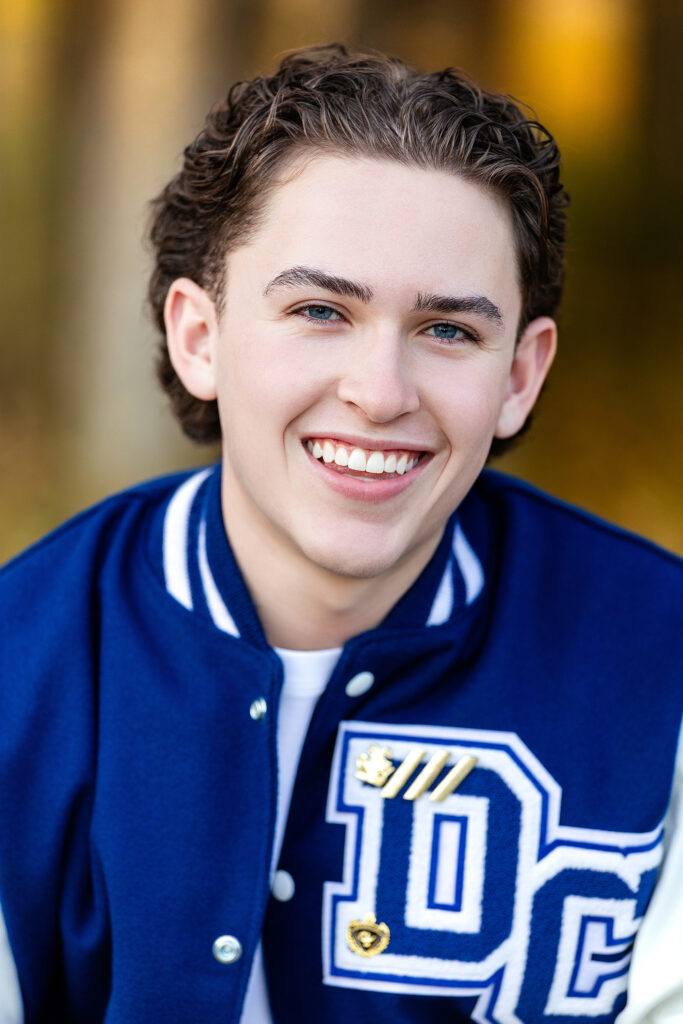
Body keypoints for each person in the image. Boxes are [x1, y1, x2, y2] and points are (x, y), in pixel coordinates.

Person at [0, 43, 681, 1024]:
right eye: (319, 310)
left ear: (520, 375)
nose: (379, 393)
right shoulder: (26, 662)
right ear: (200, 336)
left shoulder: (659, 664)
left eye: (446, 329)